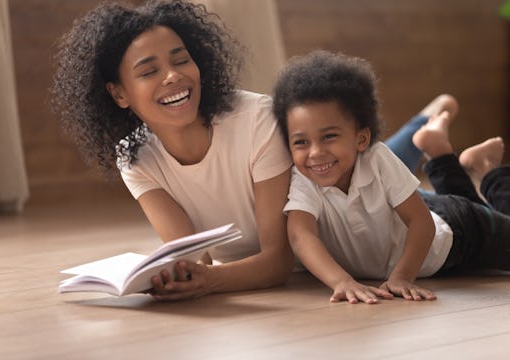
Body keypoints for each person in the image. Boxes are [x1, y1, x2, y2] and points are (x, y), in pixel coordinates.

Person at [50, 0, 447, 301]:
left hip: (351, 214)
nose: (173, 75)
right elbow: (193, 258)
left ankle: (427, 134)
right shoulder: (134, 156)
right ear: (119, 94)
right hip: (331, 200)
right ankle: (424, 129)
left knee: (373, 164)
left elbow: (277, 262)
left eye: (181, 59)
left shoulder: (256, 119)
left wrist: (212, 282)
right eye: (149, 70)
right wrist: (178, 279)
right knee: (356, 152)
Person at [272, 49, 510, 305]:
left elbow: (420, 221)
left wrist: (402, 276)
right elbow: (301, 235)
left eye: (329, 136)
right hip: (417, 212)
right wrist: (341, 282)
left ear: (361, 139)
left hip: (460, 233)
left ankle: (488, 170)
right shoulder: (303, 179)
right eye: (301, 142)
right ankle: (442, 155)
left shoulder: (377, 158)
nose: (315, 152)